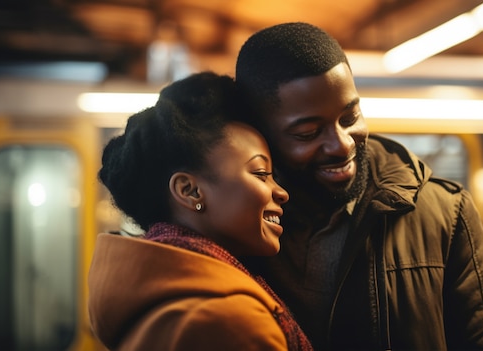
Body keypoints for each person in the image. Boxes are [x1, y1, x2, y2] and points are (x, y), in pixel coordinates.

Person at [234, 22, 483, 350]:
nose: (341, 145)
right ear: (259, 134)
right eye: (308, 133)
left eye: (349, 118)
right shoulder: (235, 227)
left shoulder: (447, 215)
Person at [87, 72, 313, 351]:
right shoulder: (230, 321)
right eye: (261, 173)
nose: (281, 192)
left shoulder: (168, 298)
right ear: (189, 191)